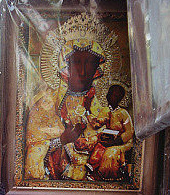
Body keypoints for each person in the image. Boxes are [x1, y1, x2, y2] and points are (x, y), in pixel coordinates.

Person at [25, 35, 133, 183]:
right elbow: (33, 145)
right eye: (76, 62)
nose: (82, 71)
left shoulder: (103, 105)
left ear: (97, 69)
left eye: (89, 64)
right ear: (66, 66)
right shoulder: (48, 103)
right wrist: (62, 140)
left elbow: (122, 137)